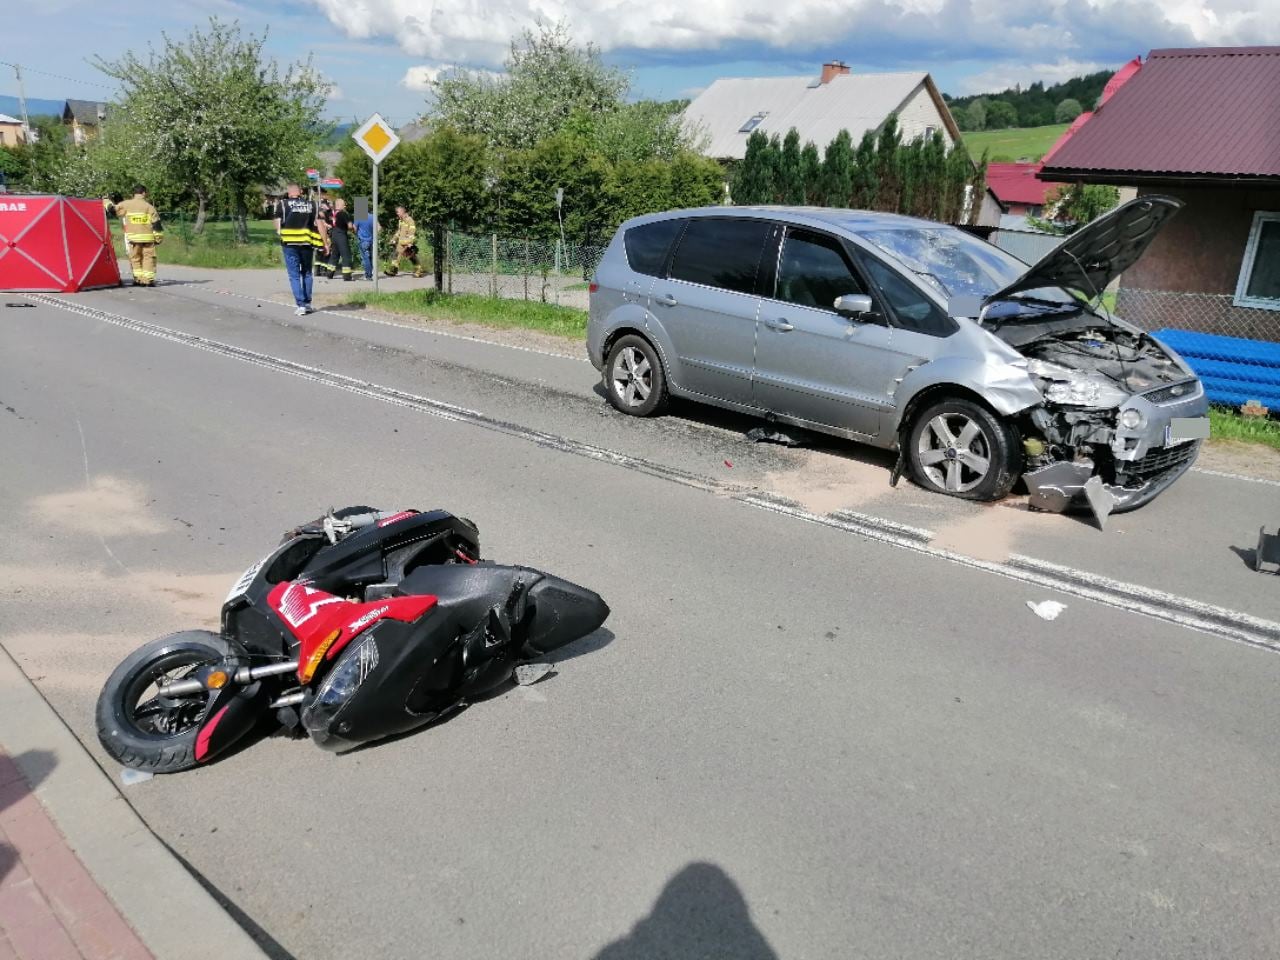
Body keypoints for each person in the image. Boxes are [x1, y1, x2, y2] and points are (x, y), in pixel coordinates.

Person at [273, 182, 324, 316]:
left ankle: (300, 305)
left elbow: (277, 223)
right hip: (307, 244)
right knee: (307, 273)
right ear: (300, 192)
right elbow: (319, 224)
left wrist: (279, 231)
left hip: (289, 244)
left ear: (289, 193)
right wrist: (325, 243)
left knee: (294, 275)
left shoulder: (283, 205)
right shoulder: (312, 205)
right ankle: (307, 303)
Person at [114, 185, 163, 287]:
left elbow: (113, 210)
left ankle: (138, 279)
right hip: (148, 239)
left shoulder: (126, 204)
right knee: (148, 258)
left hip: (134, 238)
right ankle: (148, 280)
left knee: (135, 258)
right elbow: (157, 224)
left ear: (134, 193)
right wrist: (158, 238)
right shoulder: (149, 207)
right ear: (144, 193)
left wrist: (106, 202)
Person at [385, 205, 422, 278]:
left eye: (398, 212)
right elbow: (399, 231)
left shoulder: (409, 220)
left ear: (402, 211)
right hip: (401, 243)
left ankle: (418, 271)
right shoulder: (401, 221)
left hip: (407, 243)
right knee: (396, 255)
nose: (397, 213)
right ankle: (393, 270)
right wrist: (393, 239)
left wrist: (410, 243)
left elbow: (412, 231)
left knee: (411, 257)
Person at [326, 198, 355, 282]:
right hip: (341, 235)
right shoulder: (343, 214)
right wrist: (352, 228)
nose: (345, 206)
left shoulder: (333, 214)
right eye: (344, 204)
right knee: (346, 255)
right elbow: (349, 226)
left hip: (334, 235)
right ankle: (347, 276)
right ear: (340, 205)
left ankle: (329, 273)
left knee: (334, 255)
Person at [355, 210, 375, 280]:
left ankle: (368, 275)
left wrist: (356, 233)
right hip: (371, 241)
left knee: (365, 258)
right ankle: (370, 272)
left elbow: (354, 228)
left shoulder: (359, 217)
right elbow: (379, 228)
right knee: (370, 258)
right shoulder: (373, 217)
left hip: (363, 241)